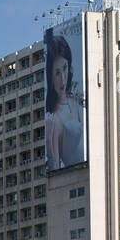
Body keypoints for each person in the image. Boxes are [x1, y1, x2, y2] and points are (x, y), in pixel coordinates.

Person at [45, 32, 85, 171]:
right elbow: (54, 170)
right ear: (50, 77)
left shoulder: (74, 100)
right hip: (73, 180)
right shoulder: (54, 120)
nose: (63, 78)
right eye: (57, 73)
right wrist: (49, 140)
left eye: (65, 68)